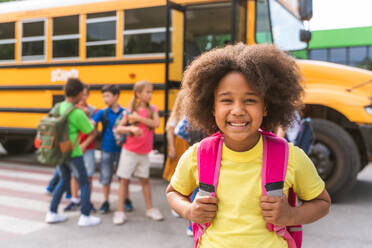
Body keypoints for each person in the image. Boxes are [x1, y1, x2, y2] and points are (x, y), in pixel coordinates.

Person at [166, 43, 331, 247]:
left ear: (266, 107)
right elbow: (173, 192)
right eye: (226, 100)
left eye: (250, 100)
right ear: (211, 107)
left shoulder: (290, 157)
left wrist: (291, 215)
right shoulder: (197, 155)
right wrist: (189, 210)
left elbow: (322, 203)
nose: (238, 110)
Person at [45, 78, 101, 227]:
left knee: (63, 180)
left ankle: (52, 212)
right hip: (73, 152)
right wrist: (89, 118)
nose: (83, 96)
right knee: (84, 182)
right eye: (82, 93)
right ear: (77, 94)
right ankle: (85, 215)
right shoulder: (76, 112)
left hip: (59, 151)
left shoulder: (58, 106)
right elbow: (90, 131)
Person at [113, 80, 164, 224]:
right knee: (124, 180)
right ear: (138, 94)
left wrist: (138, 119)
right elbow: (118, 128)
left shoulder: (152, 109)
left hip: (144, 153)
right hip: (129, 152)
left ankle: (150, 209)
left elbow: (156, 124)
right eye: (147, 92)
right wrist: (131, 128)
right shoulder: (129, 111)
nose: (150, 95)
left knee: (145, 180)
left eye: (151, 92)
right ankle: (120, 211)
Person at [91, 84, 130, 214]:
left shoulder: (124, 112)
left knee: (123, 177)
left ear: (116, 96)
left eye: (107, 96)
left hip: (122, 150)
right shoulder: (102, 112)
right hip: (106, 149)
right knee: (106, 176)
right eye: (103, 96)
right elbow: (91, 123)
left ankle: (126, 199)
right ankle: (106, 201)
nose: (105, 99)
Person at [64, 85, 97, 212]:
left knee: (88, 175)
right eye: (81, 95)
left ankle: (86, 200)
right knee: (74, 175)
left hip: (88, 147)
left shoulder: (92, 110)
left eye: (85, 95)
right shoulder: (72, 110)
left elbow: (94, 131)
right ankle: (74, 198)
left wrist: (84, 144)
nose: (83, 97)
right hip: (75, 148)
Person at [162, 89, 189, 182]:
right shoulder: (176, 116)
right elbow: (170, 133)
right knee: (177, 168)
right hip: (178, 146)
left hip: (188, 145)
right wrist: (172, 148)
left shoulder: (191, 115)